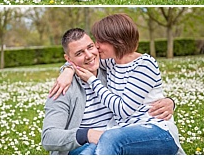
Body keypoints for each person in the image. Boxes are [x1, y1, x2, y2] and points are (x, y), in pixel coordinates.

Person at [53, 14, 183, 155]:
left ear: (117, 42)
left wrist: (92, 81)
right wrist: (67, 70)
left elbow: (123, 109)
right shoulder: (111, 62)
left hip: (156, 132)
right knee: (92, 149)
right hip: (123, 134)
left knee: (110, 137)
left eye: (100, 41)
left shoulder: (145, 65)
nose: (96, 46)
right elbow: (80, 62)